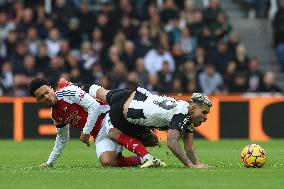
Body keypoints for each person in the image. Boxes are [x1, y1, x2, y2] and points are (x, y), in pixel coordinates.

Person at [28, 77, 165, 168]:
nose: (46, 97)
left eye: (46, 92)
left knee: (113, 133)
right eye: (41, 97)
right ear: (38, 101)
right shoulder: (56, 115)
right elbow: (62, 138)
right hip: (98, 133)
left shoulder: (68, 93)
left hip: (108, 116)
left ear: (51, 88)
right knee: (107, 162)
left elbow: (95, 107)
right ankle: (144, 160)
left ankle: (147, 157)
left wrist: (86, 132)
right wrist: (50, 162)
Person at [80, 83, 212, 168]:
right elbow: (172, 143)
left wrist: (198, 164)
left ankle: (74, 86)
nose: (206, 117)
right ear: (193, 109)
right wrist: (190, 165)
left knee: (102, 93)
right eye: (204, 112)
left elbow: (189, 146)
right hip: (121, 115)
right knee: (153, 140)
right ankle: (139, 154)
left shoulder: (186, 111)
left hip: (130, 95)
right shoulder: (181, 114)